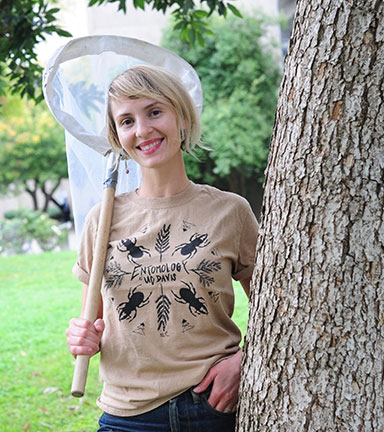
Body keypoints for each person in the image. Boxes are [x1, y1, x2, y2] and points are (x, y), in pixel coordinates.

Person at [66, 64, 258, 432]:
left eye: (154, 112)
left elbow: (275, 310)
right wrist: (82, 334)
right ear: (117, 136)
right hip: (127, 415)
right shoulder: (100, 219)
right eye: (126, 121)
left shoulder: (230, 211)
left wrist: (244, 360)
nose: (142, 130)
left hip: (212, 406)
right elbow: (96, 318)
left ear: (181, 117)